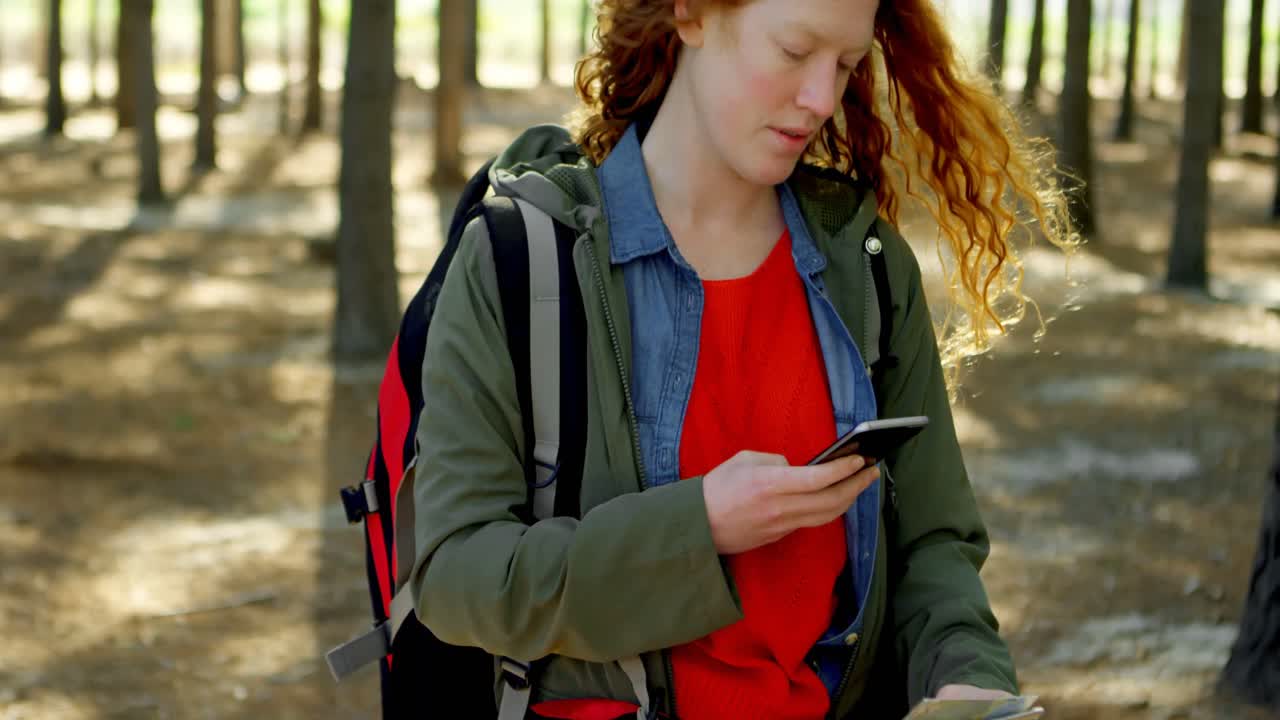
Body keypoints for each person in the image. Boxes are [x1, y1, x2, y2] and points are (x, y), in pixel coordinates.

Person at [408, 0, 1077, 718]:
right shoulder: (523, 262)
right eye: (794, 52)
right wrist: (699, 527)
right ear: (690, 15)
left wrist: (965, 675)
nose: (823, 99)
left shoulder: (868, 265)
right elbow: (455, 577)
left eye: (847, 65)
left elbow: (933, 544)